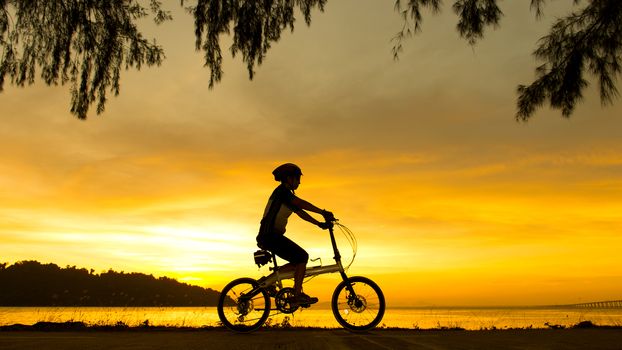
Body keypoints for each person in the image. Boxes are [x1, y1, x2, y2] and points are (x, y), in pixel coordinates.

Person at [257, 163, 334, 306]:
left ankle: (266, 282)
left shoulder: (286, 195)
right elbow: (301, 203)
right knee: (302, 257)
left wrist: (319, 224)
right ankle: (296, 295)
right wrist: (322, 212)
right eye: (297, 178)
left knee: (298, 262)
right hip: (270, 236)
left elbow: (301, 213)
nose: (299, 182)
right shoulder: (282, 192)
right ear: (289, 178)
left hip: (271, 236)